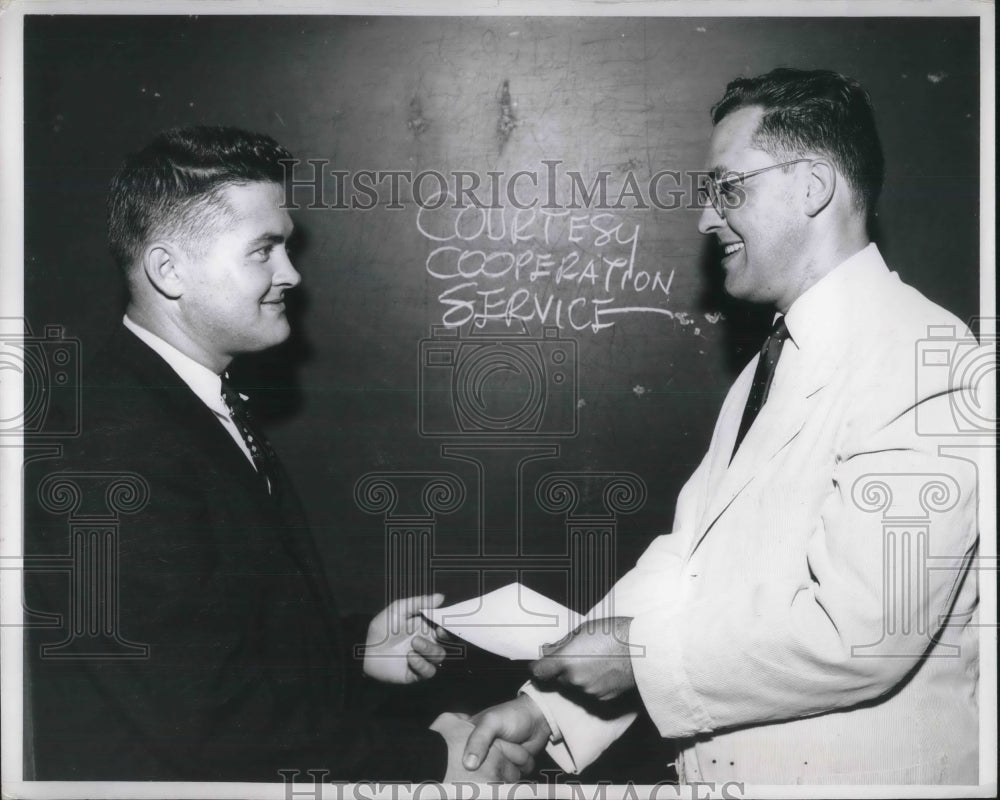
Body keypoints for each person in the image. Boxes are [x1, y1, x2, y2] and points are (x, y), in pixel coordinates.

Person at [461, 68, 982, 785]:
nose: (706, 218)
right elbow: (686, 563)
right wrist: (550, 711)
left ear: (813, 187)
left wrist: (641, 659)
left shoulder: (925, 357)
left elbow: (869, 630)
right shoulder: (770, 363)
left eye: (729, 187)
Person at [23, 126, 532, 783]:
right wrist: (433, 762)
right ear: (168, 270)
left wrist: (353, 648)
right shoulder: (110, 448)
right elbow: (203, 723)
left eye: (284, 247)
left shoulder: (186, 401)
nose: (291, 274)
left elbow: (217, 634)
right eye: (263, 251)